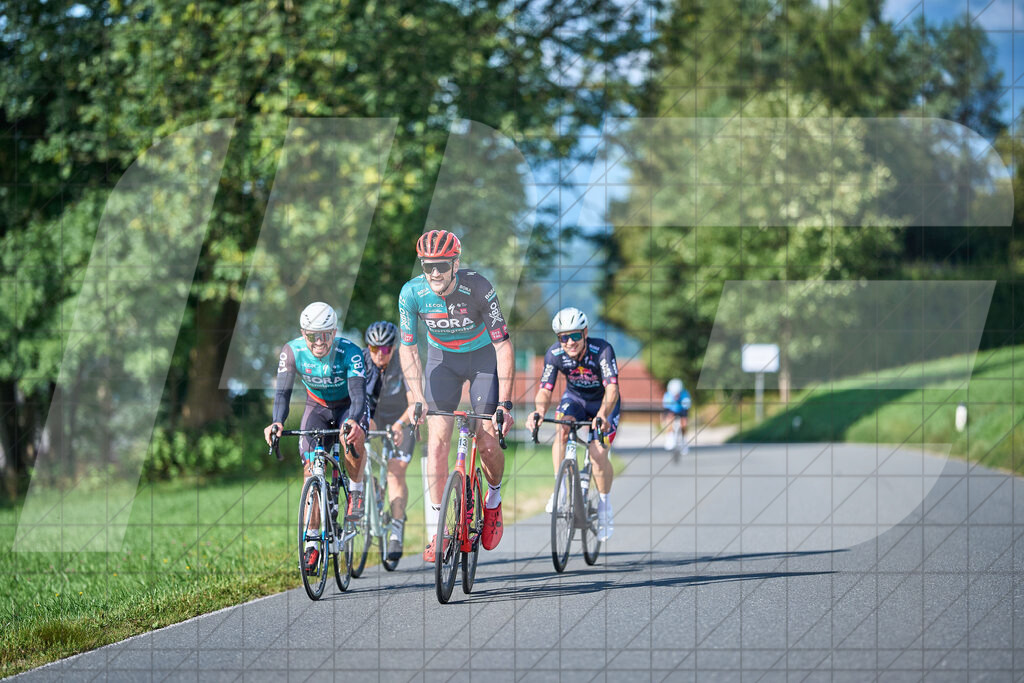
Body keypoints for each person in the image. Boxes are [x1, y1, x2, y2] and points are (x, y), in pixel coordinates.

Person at [397, 229, 515, 562]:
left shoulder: (479, 287)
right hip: (442, 362)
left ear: (455, 264)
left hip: (481, 360)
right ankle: (439, 529)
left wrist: (504, 405)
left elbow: (503, 346)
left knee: (488, 441)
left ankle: (493, 500)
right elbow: (408, 349)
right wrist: (416, 396)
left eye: (441, 265)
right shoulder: (411, 293)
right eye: (428, 265)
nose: (434, 272)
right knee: (437, 442)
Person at [263, 302, 368, 574]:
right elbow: (282, 394)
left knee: (350, 437)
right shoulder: (292, 351)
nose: (319, 341)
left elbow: (359, 395)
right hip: (317, 407)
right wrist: (277, 421)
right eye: (312, 336)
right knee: (311, 470)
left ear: (334, 332)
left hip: (348, 406)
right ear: (303, 333)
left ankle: (356, 491)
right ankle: (311, 543)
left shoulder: (351, 352)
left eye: (325, 335)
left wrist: (354, 421)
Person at [527, 307, 620, 541]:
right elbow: (545, 390)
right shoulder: (554, 354)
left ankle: (605, 507)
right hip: (575, 399)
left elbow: (612, 389)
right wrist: (539, 411)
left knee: (598, 454)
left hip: (603, 402)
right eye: (563, 337)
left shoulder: (602, 350)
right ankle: (561, 490)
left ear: (585, 333)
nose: (570, 342)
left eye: (575, 335)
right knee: (562, 429)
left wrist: (602, 414)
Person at [362, 320, 418, 562]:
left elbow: (414, 402)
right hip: (374, 417)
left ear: (393, 348)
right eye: (374, 349)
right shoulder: (362, 360)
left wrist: (400, 425)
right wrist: (365, 420)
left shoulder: (405, 360)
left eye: (384, 349)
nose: (379, 354)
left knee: (396, 471)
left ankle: (396, 529)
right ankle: (369, 489)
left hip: (402, 418)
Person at [662, 378, 691, 454]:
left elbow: (686, 409)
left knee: (684, 424)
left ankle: (684, 441)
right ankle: (669, 437)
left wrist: (683, 420)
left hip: (682, 409)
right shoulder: (667, 395)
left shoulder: (685, 395)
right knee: (669, 421)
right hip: (671, 410)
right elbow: (666, 409)